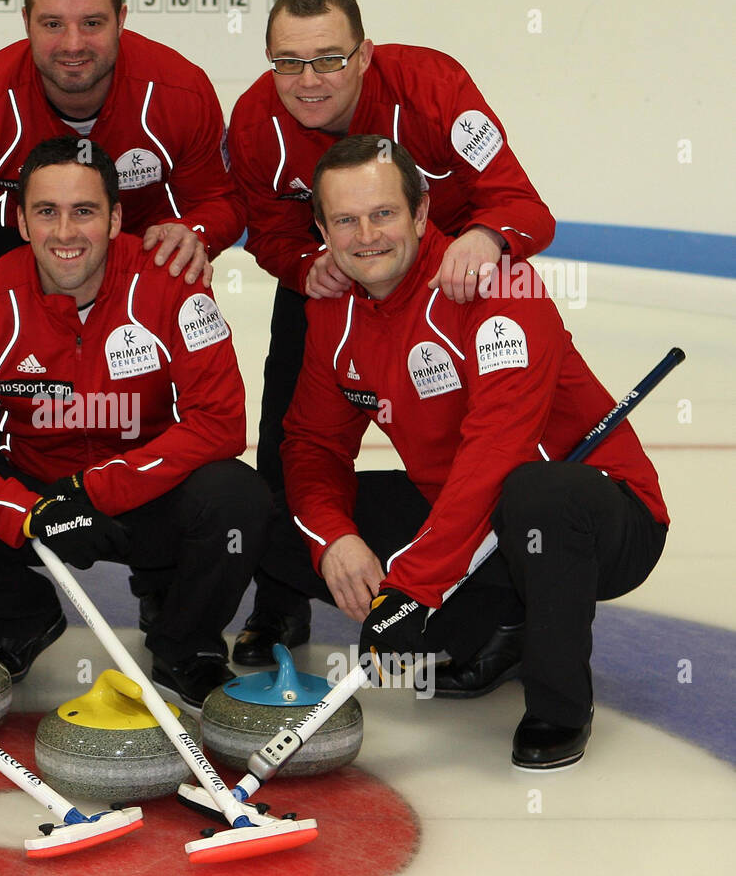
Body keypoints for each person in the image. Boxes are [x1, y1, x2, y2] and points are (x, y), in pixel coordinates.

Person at [258, 135, 667, 769]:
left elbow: (498, 452)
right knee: (273, 517)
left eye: (384, 213)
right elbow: (312, 444)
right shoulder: (332, 309)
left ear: (421, 214)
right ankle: (500, 627)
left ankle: (558, 705)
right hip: (463, 515)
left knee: (537, 494)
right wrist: (335, 539)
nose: (366, 235)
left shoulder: (497, 286)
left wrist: (415, 588)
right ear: (323, 229)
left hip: (593, 513)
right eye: (345, 219)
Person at [227, 0, 556, 666]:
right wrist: (300, 267)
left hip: (456, 267)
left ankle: (512, 581)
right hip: (341, 270)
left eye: (329, 58)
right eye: (288, 62)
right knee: (289, 433)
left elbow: (524, 204)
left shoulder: (435, 86)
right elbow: (268, 234)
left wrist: (490, 237)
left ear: (366, 54)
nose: (309, 81)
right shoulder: (255, 122)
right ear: (267, 61)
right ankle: (281, 599)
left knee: (491, 438)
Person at [0, 138, 270, 709]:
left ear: (116, 218)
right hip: (32, 496)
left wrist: (93, 492)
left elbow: (220, 423)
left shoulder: (174, 281)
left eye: (84, 211)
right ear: (20, 220)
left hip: (144, 492)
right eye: (47, 212)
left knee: (238, 497)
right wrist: (28, 512)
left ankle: (186, 645)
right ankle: (19, 619)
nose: (65, 233)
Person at [0, 0, 242, 321]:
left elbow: (224, 203)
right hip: (24, 252)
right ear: (26, 22)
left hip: (145, 251)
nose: (73, 45)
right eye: (53, 24)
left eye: (92, 23)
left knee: (185, 273)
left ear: (121, 19)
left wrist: (196, 232)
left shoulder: (181, 92)